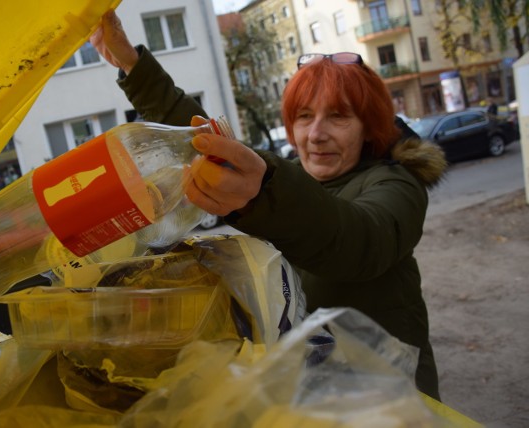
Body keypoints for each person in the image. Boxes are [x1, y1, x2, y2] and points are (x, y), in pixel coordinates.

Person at [91, 10, 447, 400]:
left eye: (339, 116)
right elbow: (205, 138)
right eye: (304, 116)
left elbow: (358, 241)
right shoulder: (294, 176)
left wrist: (263, 190)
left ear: (369, 126)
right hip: (316, 385)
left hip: (392, 393)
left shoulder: (396, 181)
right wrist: (133, 66)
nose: (316, 134)